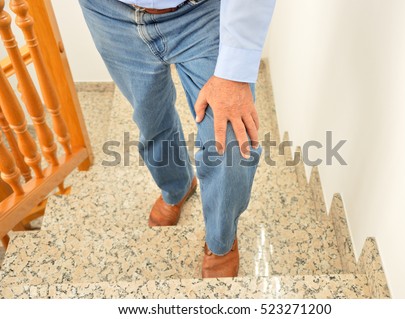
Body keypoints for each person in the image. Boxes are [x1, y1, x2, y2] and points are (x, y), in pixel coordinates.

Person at [78, 0, 275, 278]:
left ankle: (221, 240)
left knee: (230, 144)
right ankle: (178, 187)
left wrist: (234, 72)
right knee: (151, 121)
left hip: (203, 12)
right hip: (110, 14)